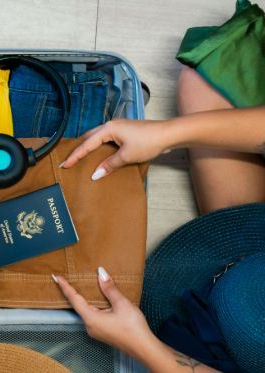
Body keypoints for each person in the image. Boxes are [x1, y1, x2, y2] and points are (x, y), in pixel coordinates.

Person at [52, 65, 265, 373]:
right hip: (249, 268)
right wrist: (164, 135)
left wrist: (144, 346)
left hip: (229, 352)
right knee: (205, 78)